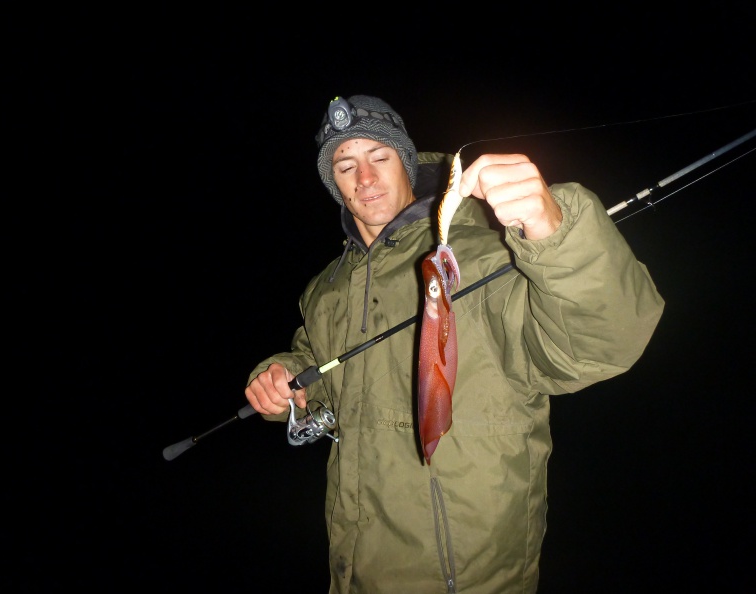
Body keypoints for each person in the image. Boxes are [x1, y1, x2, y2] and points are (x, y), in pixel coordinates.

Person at [244, 95, 664, 593]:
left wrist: (553, 231)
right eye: (345, 165)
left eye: (380, 157)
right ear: (332, 183)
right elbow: (316, 366)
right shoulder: (326, 288)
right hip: (353, 567)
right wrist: (280, 378)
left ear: (406, 161)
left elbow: (602, 341)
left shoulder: (491, 257)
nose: (365, 178)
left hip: (468, 576)